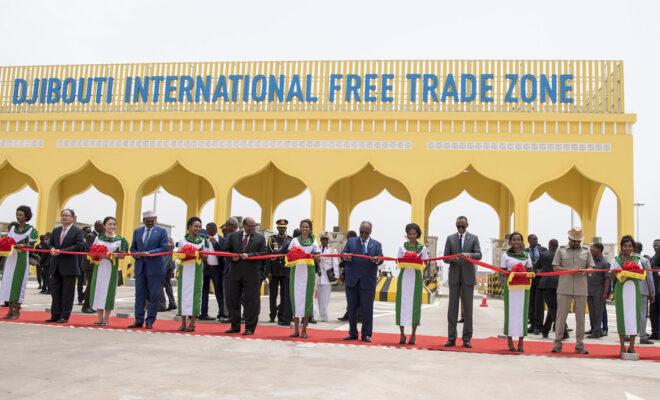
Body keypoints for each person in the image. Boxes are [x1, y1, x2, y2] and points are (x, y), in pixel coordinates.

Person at [551, 228, 594, 354]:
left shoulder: (586, 251)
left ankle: (580, 345)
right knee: (561, 317)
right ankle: (557, 344)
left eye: (578, 240)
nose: (576, 242)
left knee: (580, 318)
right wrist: (569, 270)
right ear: (569, 239)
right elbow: (555, 267)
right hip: (565, 287)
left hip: (581, 288)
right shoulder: (561, 250)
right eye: (574, 240)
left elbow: (591, 267)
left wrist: (586, 271)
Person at [443, 216, 482, 348]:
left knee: (468, 310)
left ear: (467, 225)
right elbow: (445, 257)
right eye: (458, 226)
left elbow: (479, 255)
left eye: (463, 226)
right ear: (455, 225)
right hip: (454, 276)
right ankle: (451, 338)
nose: (460, 228)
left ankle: (467, 339)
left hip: (468, 277)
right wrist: (452, 258)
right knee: (452, 309)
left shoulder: (474, 238)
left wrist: (468, 255)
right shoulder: (450, 238)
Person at [224, 217, 267, 335]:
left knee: (252, 302)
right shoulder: (233, 236)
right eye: (251, 226)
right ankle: (235, 326)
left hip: (252, 275)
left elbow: (264, 253)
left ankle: (250, 328)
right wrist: (231, 257)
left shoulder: (260, 238)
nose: (253, 228)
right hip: (235, 274)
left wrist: (249, 255)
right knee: (233, 300)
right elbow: (226, 251)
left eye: (254, 226)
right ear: (244, 225)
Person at [341, 221, 383, 342]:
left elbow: (381, 259)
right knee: (352, 308)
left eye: (366, 232)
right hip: (352, 280)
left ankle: (366, 334)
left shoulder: (376, 245)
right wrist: (345, 255)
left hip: (368, 281)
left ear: (370, 232)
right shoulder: (351, 241)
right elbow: (343, 253)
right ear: (359, 230)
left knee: (367, 309)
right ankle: (353, 333)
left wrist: (377, 260)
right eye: (362, 232)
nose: (364, 234)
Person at [128, 210, 169, 329]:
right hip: (140, 268)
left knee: (154, 295)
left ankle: (150, 321)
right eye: (148, 220)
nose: (150, 222)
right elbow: (133, 248)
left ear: (155, 219)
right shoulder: (137, 231)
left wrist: (150, 253)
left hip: (155, 268)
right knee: (139, 295)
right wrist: (137, 254)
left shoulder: (162, 231)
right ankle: (138, 320)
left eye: (153, 220)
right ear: (144, 220)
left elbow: (164, 247)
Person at [610, 236, 647, 357]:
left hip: (634, 291)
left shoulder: (637, 260)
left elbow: (642, 274)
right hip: (621, 291)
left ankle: (632, 346)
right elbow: (611, 276)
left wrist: (634, 271)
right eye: (625, 246)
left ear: (633, 247)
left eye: (630, 246)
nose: (628, 248)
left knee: (634, 317)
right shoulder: (616, 260)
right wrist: (616, 273)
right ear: (621, 247)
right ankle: (622, 346)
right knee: (622, 317)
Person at [47, 209, 85, 323]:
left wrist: (62, 251)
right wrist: (52, 249)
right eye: (62, 215)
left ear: (72, 218)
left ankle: (64, 316)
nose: (64, 218)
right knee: (55, 292)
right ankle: (55, 315)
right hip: (56, 266)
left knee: (67, 294)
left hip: (70, 267)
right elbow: (50, 243)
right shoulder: (56, 230)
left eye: (67, 216)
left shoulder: (77, 231)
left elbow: (80, 246)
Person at [0, 206, 39, 319]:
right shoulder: (13, 229)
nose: (18, 217)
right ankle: (10, 310)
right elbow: (7, 241)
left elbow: (32, 246)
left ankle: (17, 310)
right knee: (8, 282)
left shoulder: (32, 230)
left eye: (21, 215)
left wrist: (23, 245)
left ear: (26, 216)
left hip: (21, 259)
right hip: (11, 258)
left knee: (18, 283)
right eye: (17, 214)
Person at [88, 217, 128, 325]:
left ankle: (106, 318)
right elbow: (91, 253)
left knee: (109, 292)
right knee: (98, 291)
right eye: (109, 224)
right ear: (104, 226)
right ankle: (99, 318)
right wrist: (97, 255)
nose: (112, 226)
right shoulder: (98, 238)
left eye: (114, 224)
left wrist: (115, 255)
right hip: (99, 266)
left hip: (111, 267)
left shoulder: (120, 239)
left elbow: (123, 255)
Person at [499, 232, 534, 352]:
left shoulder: (526, 255)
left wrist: (529, 275)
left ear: (522, 242)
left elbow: (531, 271)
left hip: (523, 289)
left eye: (518, 239)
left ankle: (520, 342)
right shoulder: (506, 256)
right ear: (510, 242)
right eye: (513, 240)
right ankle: (509, 341)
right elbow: (502, 273)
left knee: (522, 315)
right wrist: (504, 287)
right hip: (510, 289)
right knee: (510, 315)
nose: (516, 242)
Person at [286, 219, 320, 338]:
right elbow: (288, 254)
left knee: (307, 301)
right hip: (296, 272)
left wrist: (314, 257)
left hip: (308, 272)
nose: (304, 229)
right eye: (302, 227)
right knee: (295, 299)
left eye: (306, 227)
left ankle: (304, 330)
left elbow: (318, 258)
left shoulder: (313, 241)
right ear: (300, 228)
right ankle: (296, 330)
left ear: (310, 229)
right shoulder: (294, 240)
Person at [396, 223, 428, 345]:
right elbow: (397, 262)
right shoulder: (402, 247)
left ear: (417, 234)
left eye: (414, 234)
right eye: (409, 234)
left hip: (416, 278)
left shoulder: (422, 248)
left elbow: (425, 264)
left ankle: (413, 334)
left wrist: (416, 262)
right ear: (407, 234)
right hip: (404, 277)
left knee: (415, 306)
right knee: (401, 305)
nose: (412, 236)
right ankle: (402, 334)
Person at [176, 217, 210, 332]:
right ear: (189, 227)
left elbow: (206, 256)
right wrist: (187, 253)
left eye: (200, 227)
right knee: (183, 295)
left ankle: (192, 323)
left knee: (196, 295)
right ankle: (183, 322)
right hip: (185, 270)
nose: (198, 228)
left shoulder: (203, 240)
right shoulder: (182, 240)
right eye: (196, 226)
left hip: (197, 270)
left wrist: (199, 254)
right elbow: (178, 255)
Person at [266, 219, 293, 326]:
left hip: (284, 271)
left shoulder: (290, 240)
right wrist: (268, 271)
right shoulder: (271, 239)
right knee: (272, 295)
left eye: (284, 228)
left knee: (284, 295)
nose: (282, 229)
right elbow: (268, 256)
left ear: (286, 229)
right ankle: (272, 315)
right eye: (280, 228)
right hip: (273, 271)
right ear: (277, 228)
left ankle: (281, 315)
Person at [199, 222, 225, 321]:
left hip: (217, 269)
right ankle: (203, 313)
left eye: (208, 228)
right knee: (204, 291)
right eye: (206, 228)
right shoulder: (203, 239)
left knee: (218, 291)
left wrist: (215, 243)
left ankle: (222, 313)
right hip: (205, 268)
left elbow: (224, 252)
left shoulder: (222, 240)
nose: (207, 230)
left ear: (214, 229)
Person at [586, 243, 610, 338]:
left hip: (599, 290)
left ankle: (597, 331)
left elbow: (607, 279)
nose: (591, 250)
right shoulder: (591, 262)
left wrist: (605, 292)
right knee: (591, 311)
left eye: (593, 248)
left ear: (599, 250)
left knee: (598, 312)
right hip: (590, 289)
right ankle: (593, 328)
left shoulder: (605, 263)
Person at [634, 242, 656, 344]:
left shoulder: (626, 259)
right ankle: (642, 336)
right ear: (641, 250)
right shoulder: (644, 260)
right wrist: (652, 293)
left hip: (629, 290)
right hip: (643, 290)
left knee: (629, 312)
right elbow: (649, 278)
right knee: (642, 314)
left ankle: (626, 335)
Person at [537, 239, 560, 338]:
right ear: (557, 245)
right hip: (559, 283)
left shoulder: (543, 254)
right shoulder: (561, 255)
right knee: (554, 306)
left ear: (549, 245)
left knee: (552, 306)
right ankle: (545, 329)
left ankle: (562, 329)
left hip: (546, 283)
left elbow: (537, 266)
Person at [219, 217, 239, 323]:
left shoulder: (236, 237)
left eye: (228, 225)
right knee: (228, 294)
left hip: (234, 269)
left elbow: (227, 251)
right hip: (227, 269)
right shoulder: (228, 236)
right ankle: (231, 316)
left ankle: (235, 316)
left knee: (234, 294)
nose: (226, 228)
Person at [81, 220, 104, 314]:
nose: (104, 228)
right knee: (91, 285)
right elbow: (92, 249)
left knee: (92, 285)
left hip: (95, 264)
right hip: (89, 265)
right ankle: (85, 306)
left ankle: (86, 302)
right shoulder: (91, 236)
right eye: (103, 226)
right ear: (97, 227)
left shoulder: (100, 236)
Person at [527, 234, 547, 334]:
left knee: (539, 304)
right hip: (529, 280)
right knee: (531, 303)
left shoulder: (543, 250)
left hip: (541, 279)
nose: (536, 240)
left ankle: (538, 326)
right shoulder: (525, 251)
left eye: (536, 238)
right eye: (533, 239)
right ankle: (532, 324)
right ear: (529, 240)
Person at [317, 231, 338, 322]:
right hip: (318, 276)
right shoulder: (317, 249)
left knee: (325, 297)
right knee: (318, 297)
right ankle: (318, 314)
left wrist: (336, 275)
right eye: (323, 239)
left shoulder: (332, 250)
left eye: (326, 239)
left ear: (328, 240)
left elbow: (335, 262)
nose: (325, 241)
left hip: (327, 276)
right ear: (321, 240)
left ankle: (324, 315)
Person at [338, 230, 358, 322]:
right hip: (349, 275)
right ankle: (349, 315)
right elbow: (343, 258)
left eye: (349, 237)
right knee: (350, 298)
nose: (348, 240)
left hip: (355, 276)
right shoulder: (349, 246)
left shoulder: (357, 246)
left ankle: (354, 316)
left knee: (355, 298)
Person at [158, 238, 177, 312]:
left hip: (164, 266)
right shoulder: (170, 240)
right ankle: (172, 303)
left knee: (160, 285)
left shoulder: (164, 240)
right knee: (168, 284)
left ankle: (162, 305)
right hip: (170, 265)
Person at [651, 239, 660, 340]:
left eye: (657, 245)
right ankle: (655, 332)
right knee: (653, 313)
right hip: (654, 290)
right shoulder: (652, 259)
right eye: (654, 245)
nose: (655, 247)